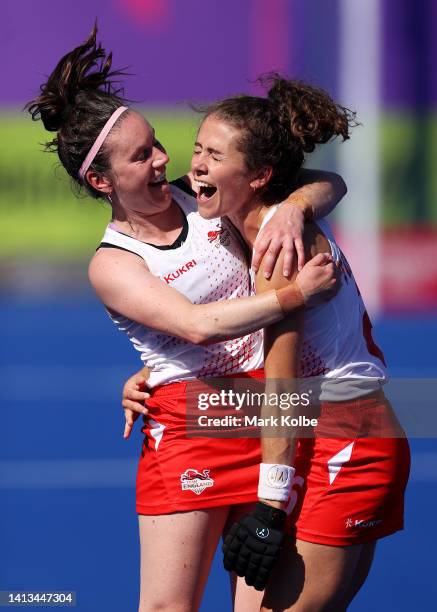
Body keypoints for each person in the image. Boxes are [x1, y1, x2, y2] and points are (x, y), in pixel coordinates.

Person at [27, 28, 346, 612]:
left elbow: (330, 182)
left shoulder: (202, 195)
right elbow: (197, 326)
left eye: (157, 143)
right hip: (189, 430)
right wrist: (295, 296)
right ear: (101, 181)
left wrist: (293, 209)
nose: (166, 158)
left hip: (266, 419)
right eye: (142, 154)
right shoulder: (113, 264)